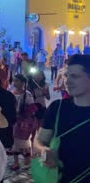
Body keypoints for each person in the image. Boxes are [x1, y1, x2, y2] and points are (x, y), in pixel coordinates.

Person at [34, 55, 90, 183]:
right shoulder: (57, 108)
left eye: (74, 76)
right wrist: (44, 150)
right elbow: (39, 141)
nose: (67, 81)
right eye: (66, 76)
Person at [10, 74, 35, 170]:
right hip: (14, 121)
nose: (15, 82)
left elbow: (32, 108)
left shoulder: (27, 94)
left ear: (23, 82)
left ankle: (27, 159)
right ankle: (16, 162)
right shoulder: (12, 93)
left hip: (23, 122)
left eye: (17, 81)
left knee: (24, 140)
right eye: (14, 80)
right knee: (15, 141)